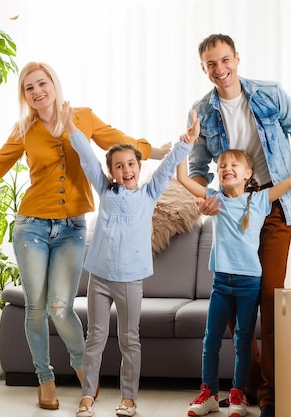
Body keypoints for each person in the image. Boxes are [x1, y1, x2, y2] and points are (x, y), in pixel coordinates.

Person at [0, 61, 171, 410]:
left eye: (42, 83)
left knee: (60, 306)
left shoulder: (82, 117)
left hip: (71, 227)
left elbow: (121, 143)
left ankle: (82, 362)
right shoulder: (24, 129)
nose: (37, 91)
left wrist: (158, 151)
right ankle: (45, 378)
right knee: (36, 308)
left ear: (54, 84)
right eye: (29, 88)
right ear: (25, 96)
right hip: (31, 226)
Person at [187, 34, 291, 417]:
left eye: (225, 60)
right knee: (231, 310)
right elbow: (196, 167)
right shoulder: (201, 112)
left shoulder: (268, 94)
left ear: (237, 58)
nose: (220, 69)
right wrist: (204, 199)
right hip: (233, 212)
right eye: (211, 64)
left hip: (272, 207)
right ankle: (252, 387)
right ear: (203, 68)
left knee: (271, 301)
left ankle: (271, 397)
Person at [61, 102, 200, 417]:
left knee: (129, 340)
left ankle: (128, 399)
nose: (125, 170)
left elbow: (167, 167)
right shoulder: (106, 191)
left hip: (130, 280)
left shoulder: (149, 194)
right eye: (119, 166)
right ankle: (87, 397)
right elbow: (86, 157)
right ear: (111, 172)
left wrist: (187, 142)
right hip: (99, 278)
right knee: (94, 337)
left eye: (130, 164)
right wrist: (70, 126)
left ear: (140, 166)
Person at [178, 148, 291, 417]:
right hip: (220, 284)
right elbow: (183, 179)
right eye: (222, 164)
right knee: (211, 339)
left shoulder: (260, 200)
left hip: (249, 284)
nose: (227, 167)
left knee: (244, 339)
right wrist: (183, 148)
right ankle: (209, 393)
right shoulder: (214, 199)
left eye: (234, 164)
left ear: (248, 174)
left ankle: (238, 394)